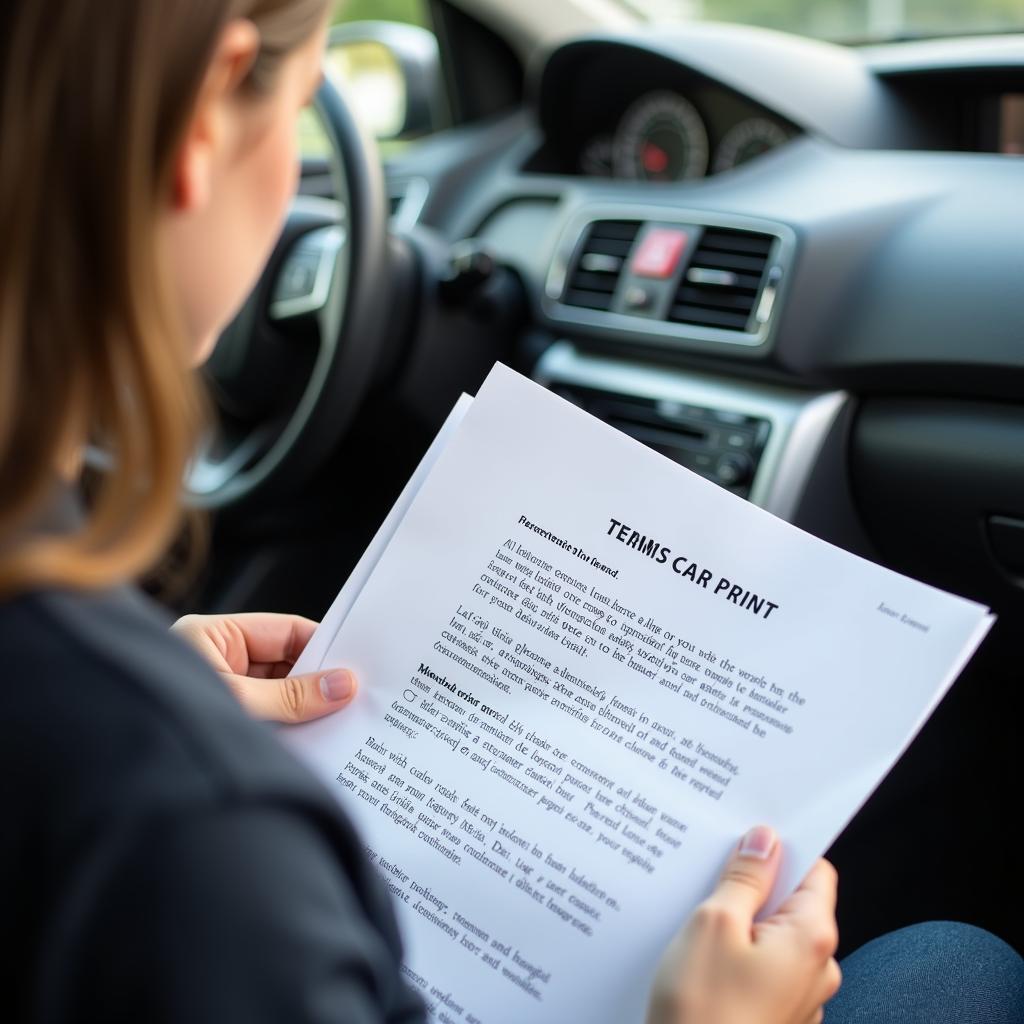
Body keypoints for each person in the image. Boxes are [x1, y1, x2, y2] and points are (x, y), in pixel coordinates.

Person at [0, 1, 1020, 1022]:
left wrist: (160, 703)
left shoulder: (103, 723)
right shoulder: (190, 826)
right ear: (202, 121)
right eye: (305, 100)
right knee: (959, 968)